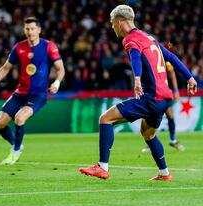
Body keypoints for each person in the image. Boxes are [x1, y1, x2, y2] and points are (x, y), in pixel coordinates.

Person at [79, 5, 197, 181]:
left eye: (112, 23)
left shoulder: (130, 39)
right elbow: (171, 57)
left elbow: (135, 57)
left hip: (151, 97)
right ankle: (164, 173)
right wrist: (190, 77)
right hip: (165, 98)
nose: (112, 27)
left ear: (120, 22)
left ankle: (102, 167)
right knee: (149, 134)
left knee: (105, 118)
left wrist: (137, 79)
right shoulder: (149, 38)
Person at [0, 17, 65, 165]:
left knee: (19, 118)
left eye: (32, 29)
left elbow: (61, 69)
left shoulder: (49, 46)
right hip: (20, 93)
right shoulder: (19, 47)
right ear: (24, 30)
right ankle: (16, 144)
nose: (30, 32)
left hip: (38, 94)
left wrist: (56, 82)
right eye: (27, 29)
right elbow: (5, 68)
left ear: (39, 30)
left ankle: (15, 151)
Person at [142, 60, 185, 153]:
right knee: (153, 116)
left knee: (169, 115)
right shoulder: (149, 59)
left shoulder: (166, 62)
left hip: (164, 91)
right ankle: (151, 142)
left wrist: (176, 91)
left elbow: (172, 74)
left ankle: (172, 140)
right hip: (153, 92)